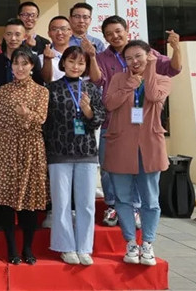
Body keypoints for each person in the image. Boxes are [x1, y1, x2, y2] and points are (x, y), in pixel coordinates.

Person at [88, 16, 182, 227]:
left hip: (143, 127)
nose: (115, 36)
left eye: (118, 31)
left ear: (127, 29)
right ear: (105, 37)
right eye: (109, 34)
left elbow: (172, 69)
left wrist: (176, 48)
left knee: (139, 168)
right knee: (109, 167)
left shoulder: (145, 52)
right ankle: (112, 206)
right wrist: (92, 57)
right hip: (112, 123)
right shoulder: (103, 57)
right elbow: (97, 81)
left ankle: (137, 208)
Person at [103, 40, 171, 267]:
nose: (134, 61)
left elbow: (153, 96)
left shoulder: (162, 79)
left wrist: (149, 70)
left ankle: (148, 243)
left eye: (138, 56)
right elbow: (109, 103)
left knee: (150, 200)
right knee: (123, 198)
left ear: (149, 55)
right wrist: (128, 86)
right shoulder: (118, 79)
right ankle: (131, 242)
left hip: (150, 147)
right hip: (121, 145)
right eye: (129, 58)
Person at [43, 46, 105, 266]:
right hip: (59, 152)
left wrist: (88, 111)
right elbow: (45, 123)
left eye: (80, 63)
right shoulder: (51, 89)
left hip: (86, 151)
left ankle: (84, 247)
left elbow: (99, 119)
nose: (75, 66)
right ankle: (65, 246)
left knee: (86, 204)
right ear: (63, 63)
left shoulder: (91, 88)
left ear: (86, 66)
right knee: (61, 203)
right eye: (71, 61)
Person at [0, 47, 48, 265]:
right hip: (5, 149)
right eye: (16, 63)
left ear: (32, 66)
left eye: (25, 64)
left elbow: (41, 120)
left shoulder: (41, 91)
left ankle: (28, 248)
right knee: (5, 202)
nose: (20, 68)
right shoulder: (2, 91)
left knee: (29, 201)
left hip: (30, 149)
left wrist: (27, 114)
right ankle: (12, 249)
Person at [0, 18, 44, 97]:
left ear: (24, 37)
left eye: (17, 34)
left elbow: (39, 86)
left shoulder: (33, 59)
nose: (13, 38)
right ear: (4, 36)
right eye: (9, 34)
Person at [40, 16, 73, 83]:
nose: (59, 33)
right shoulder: (41, 58)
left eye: (63, 29)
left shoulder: (79, 56)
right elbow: (46, 80)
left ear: (71, 32)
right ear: (49, 33)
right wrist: (47, 60)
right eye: (54, 29)